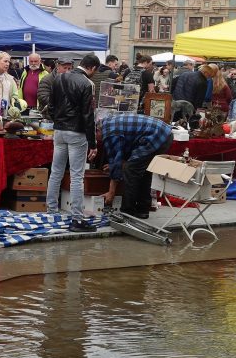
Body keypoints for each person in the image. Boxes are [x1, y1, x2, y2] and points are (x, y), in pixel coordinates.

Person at [46, 54, 99, 233]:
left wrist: (58, 121)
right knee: (77, 176)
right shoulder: (87, 84)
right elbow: (88, 115)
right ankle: (77, 218)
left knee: (56, 171)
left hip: (59, 130)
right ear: (92, 68)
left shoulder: (59, 78)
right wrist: (93, 142)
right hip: (77, 132)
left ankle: (51, 211)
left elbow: (50, 106)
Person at [97, 113, 173, 219]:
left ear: (98, 131)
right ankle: (143, 209)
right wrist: (116, 164)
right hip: (164, 134)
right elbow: (120, 154)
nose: (98, 141)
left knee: (130, 170)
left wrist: (111, 192)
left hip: (157, 136)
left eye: (96, 138)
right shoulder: (108, 123)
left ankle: (127, 212)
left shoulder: (109, 133)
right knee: (144, 170)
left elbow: (116, 162)